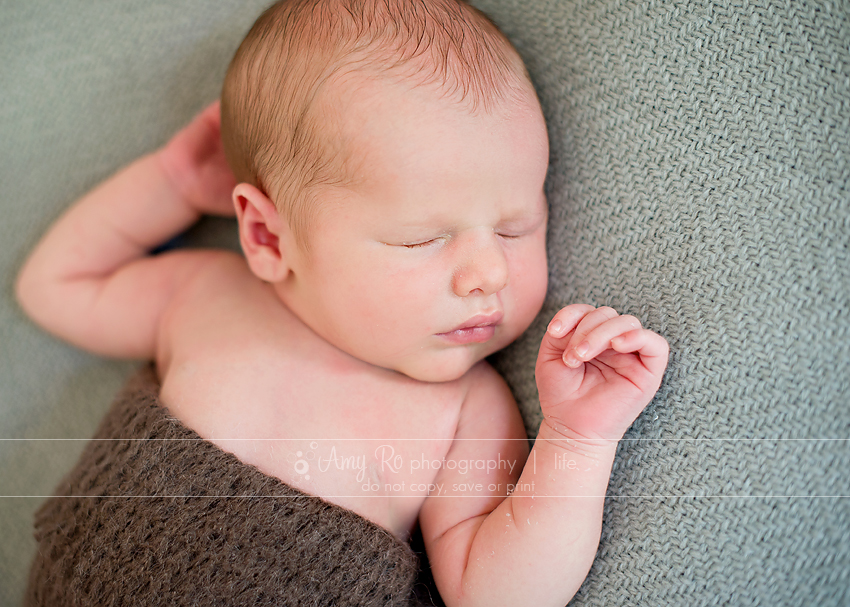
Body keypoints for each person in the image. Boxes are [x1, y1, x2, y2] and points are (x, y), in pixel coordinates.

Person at [16, 1, 668, 605]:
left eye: (515, 227)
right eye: (423, 237)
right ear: (268, 235)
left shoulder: (465, 410)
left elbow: (498, 594)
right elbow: (54, 287)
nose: (488, 271)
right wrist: (173, 182)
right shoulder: (208, 294)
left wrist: (577, 440)